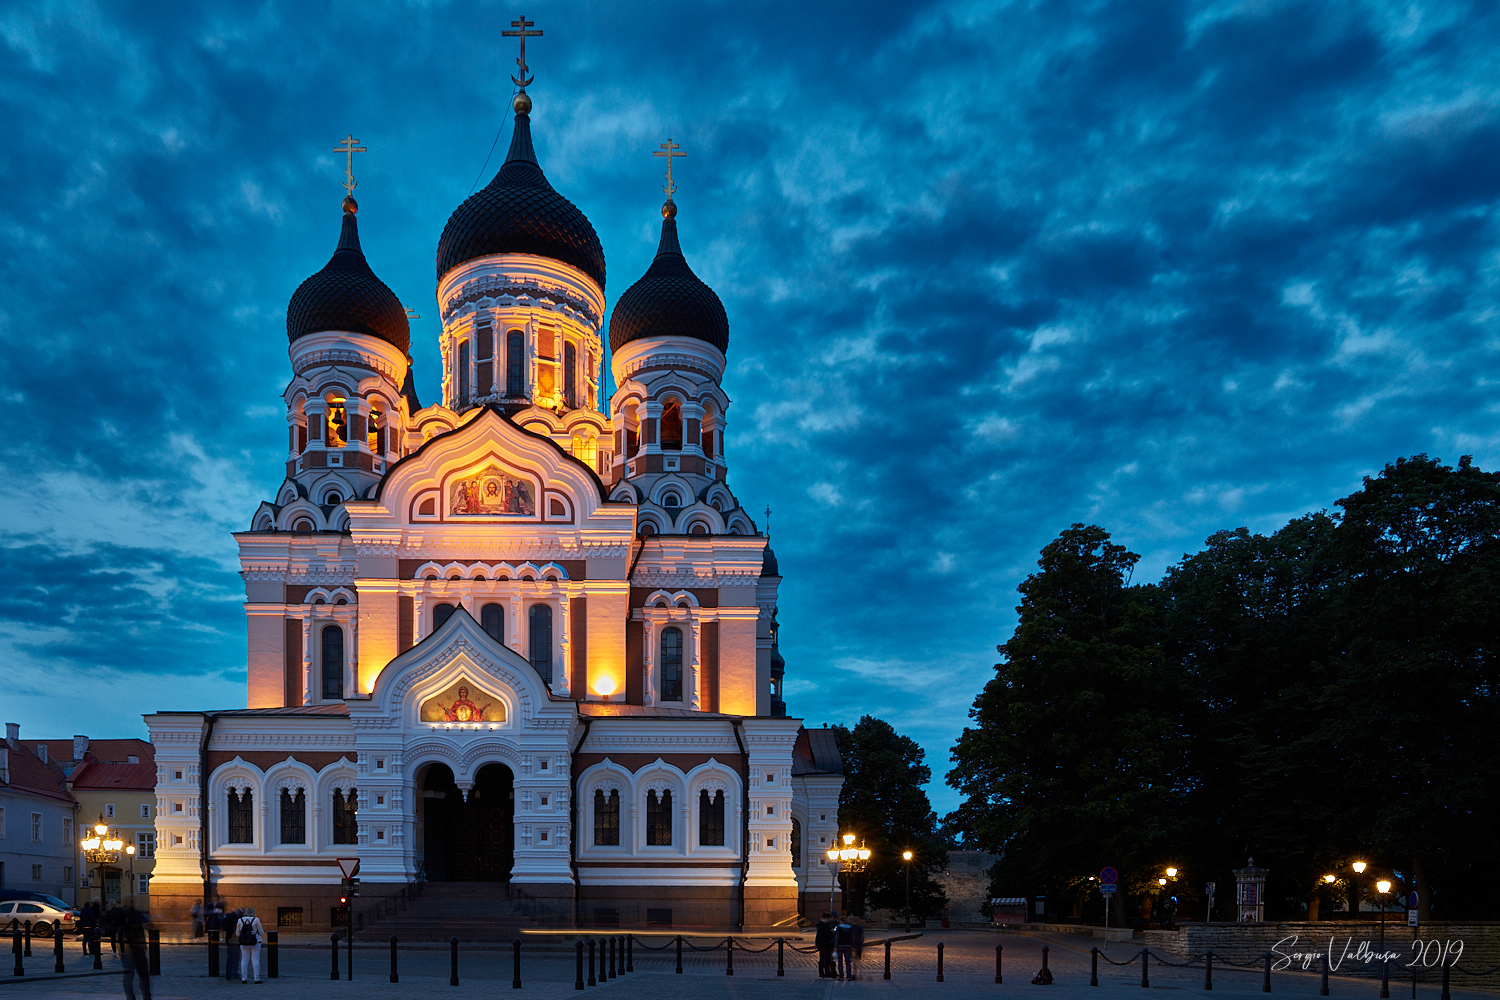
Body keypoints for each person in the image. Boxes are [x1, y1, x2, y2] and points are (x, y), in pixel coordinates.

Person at [120, 905, 152, 1000]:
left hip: (131, 950)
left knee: (130, 976)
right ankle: (146, 996)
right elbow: (146, 920)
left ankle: (132, 997)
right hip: (137, 950)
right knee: (142, 976)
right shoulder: (134, 917)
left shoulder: (125, 918)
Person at [235, 907, 266, 984]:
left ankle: (244, 978)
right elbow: (261, 932)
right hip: (255, 942)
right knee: (255, 960)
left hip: (243, 943)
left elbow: (237, 933)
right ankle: (256, 978)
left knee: (244, 959)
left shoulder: (240, 920)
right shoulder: (256, 920)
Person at [222, 905, 242, 981]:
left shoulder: (231, 916)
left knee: (232, 957)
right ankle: (232, 974)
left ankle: (231, 974)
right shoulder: (234, 918)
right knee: (234, 958)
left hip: (231, 939)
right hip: (234, 940)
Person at [834, 914, 855, 981]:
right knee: (848, 962)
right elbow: (853, 937)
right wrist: (852, 945)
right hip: (848, 946)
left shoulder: (838, 927)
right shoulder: (850, 927)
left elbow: (837, 937)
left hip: (840, 945)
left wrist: (835, 946)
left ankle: (841, 976)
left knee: (840, 962)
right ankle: (849, 976)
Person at [814, 913, 834, 979]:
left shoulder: (820, 925)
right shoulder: (824, 926)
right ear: (826, 918)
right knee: (826, 959)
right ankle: (827, 973)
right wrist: (831, 932)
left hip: (821, 944)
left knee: (822, 959)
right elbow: (826, 935)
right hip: (825, 944)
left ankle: (821, 973)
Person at [850, 914, 866, 981]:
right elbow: (862, 936)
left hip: (854, 945)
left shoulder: (851, 927)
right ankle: (859, 974)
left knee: (854, 961)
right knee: (858, 960)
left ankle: (855, 973)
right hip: (859, 945)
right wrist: (861, 943)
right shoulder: (860, 927)